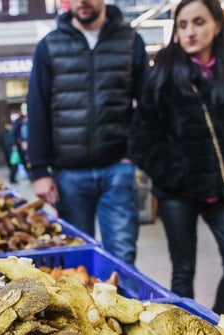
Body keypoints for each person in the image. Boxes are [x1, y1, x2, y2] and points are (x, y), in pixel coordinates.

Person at [128, 0, 224, 315]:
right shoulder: (163, 72)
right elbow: (141, 136)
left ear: (217, 24)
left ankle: (218, 325)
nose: (190, 31)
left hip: (222, 187)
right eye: (183, 24)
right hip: (177, 189)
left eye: (199, 22)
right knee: (183, 269)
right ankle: (189, 330)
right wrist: (173, 173)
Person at [26, 0, 147, 265]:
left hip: (117, 169)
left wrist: (134, 153)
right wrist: (38, 171)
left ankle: (121, 308)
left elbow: (147, 104)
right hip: (68, 173)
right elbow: (37, 109)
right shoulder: (49, 46)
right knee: (76, 257)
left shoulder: (130, 42)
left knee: (123, 256)